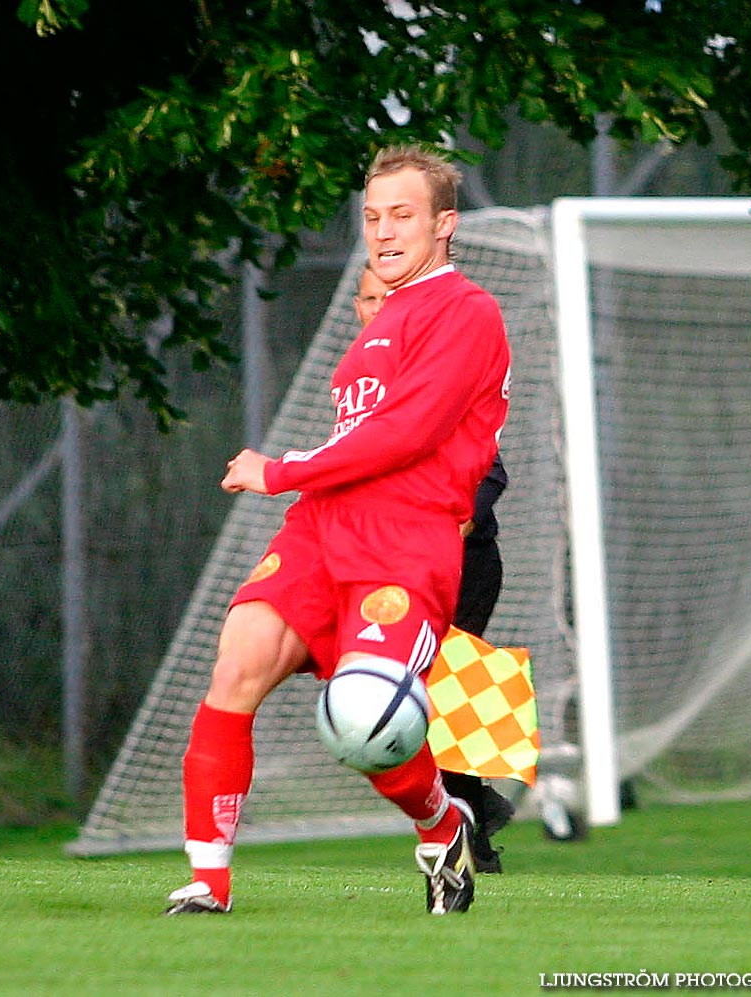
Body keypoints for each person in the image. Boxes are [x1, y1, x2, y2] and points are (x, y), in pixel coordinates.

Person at [166, 145, 511, 917]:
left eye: (403, 215)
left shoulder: (468, 311)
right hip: (322, 528)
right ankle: (206, 883)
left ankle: (441, 822)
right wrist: (299, 485)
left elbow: (410, 433)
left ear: (445, 223)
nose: (383, 231)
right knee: (236, 668)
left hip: (406, 541)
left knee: (361, 721)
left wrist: (279, 467)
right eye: (372, 216)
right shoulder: (377, 320)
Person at [355, 263, 516, 873]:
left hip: (460, 562)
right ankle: (475, 807)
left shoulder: (440, 367)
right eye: (369, 298)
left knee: (452, 686)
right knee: (405, 691)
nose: (379, 308)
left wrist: (454, 518)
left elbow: (488, 468)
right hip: (385, 560)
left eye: (388, 297)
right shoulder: (362, 385)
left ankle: (474, 828)